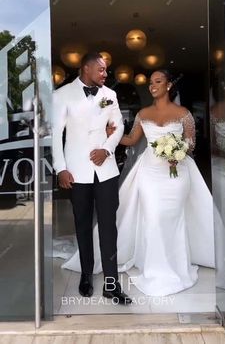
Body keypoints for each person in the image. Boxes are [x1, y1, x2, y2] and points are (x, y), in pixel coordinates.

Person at [58, 69, 215, 297]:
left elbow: (190, 144)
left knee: (172, 219)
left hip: (177, 175)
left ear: (169, 85)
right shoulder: (143, 113)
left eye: (158, 82)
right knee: (153, 218)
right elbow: (132, 139)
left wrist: (177, 151)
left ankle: (176, 267)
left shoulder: (184, 113)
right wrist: (109, 133)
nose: (152, 86)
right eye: (150, 82)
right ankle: (155, 268)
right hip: (150, 174)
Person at [52, 52, 132, 304]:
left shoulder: (110, 95)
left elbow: (118, 125)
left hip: (106, 170)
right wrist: (60, 168)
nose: (105, 74)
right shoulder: (61, 94)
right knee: (83, 225)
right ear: (85, 68)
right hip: (76, 171)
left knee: (109, 225)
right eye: (101, 69)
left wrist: (107, 148)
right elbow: (55, 134)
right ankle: (86, 275)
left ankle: (111, 283)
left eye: (106, 70)